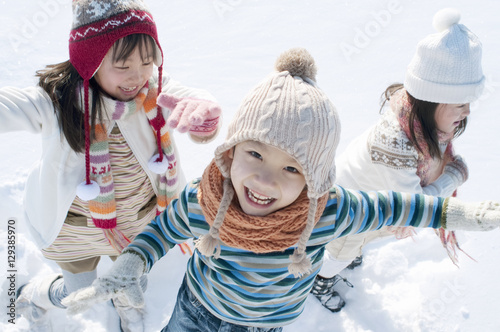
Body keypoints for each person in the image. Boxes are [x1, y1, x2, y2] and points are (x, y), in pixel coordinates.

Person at [61, 47, 500, 332]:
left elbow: (396, 207)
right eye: (254, 155)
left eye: (292, 167)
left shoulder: (329, 211)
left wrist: (458, 214)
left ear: (314, 180)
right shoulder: (208, 199)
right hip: (196, 311)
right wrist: (134, 260)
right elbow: (165, 230)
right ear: (232, 152)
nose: (266, 180)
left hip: (265, 326)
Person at [2, 0, 221, 331]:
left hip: (135, 225)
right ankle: (37, 295)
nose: (138, 76)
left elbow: (190, 96)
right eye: (123, 65)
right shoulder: (57, 104)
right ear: (90, 62)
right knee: (79, 290)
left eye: (148, 62)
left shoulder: (153, 93)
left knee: (135, 279)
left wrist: (203, 109)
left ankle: (126, 307)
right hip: (75, 231)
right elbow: (11, 106)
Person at [312, 8, 485, 313]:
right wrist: (452, 177)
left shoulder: (417, 122)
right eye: (460, 103)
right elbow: (414, 208)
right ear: (432, 100)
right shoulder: (396, 146)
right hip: (347, 210)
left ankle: (350, 254)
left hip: (374, 199)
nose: (467, 112)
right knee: (338, 253)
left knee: (358, 243)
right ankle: (321, 279)